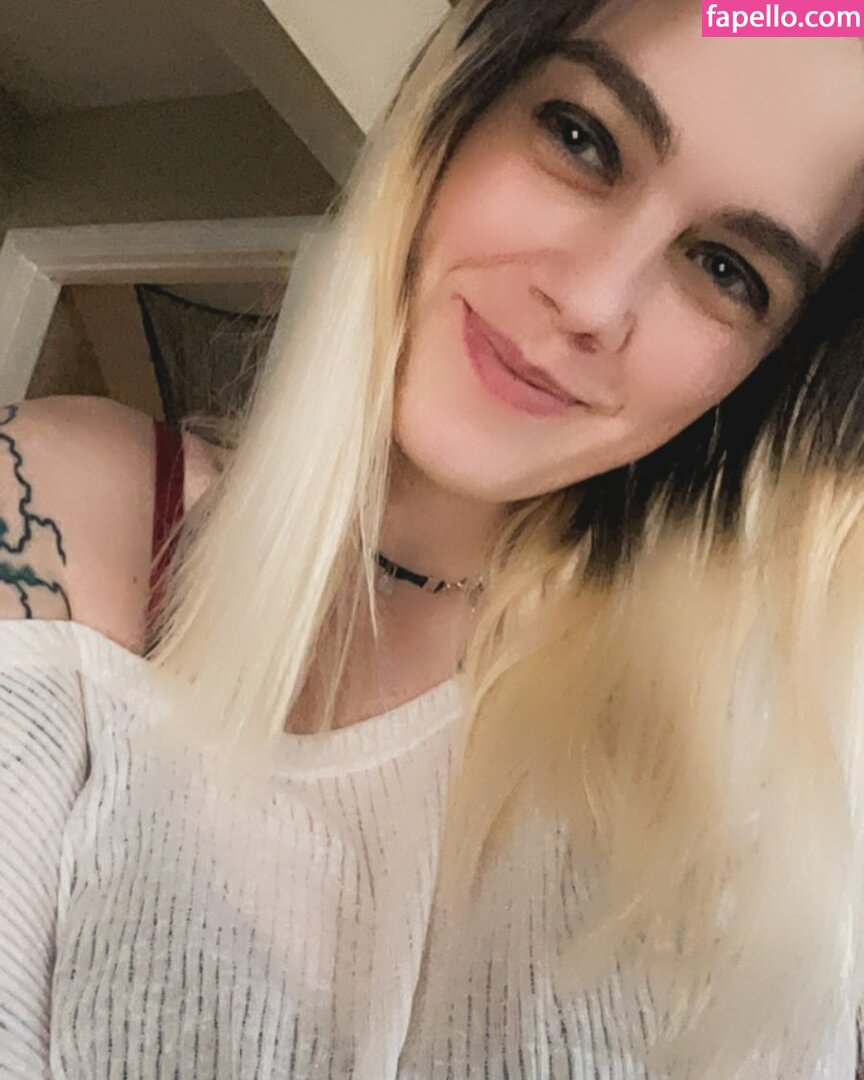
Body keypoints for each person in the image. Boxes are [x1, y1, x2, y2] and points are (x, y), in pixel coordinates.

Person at [1, 0, 863, 1076]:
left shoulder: (755, 773)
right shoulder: (56, 510)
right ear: (457, 104)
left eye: (727, 270)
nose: (593, 299)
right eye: (583, 139)